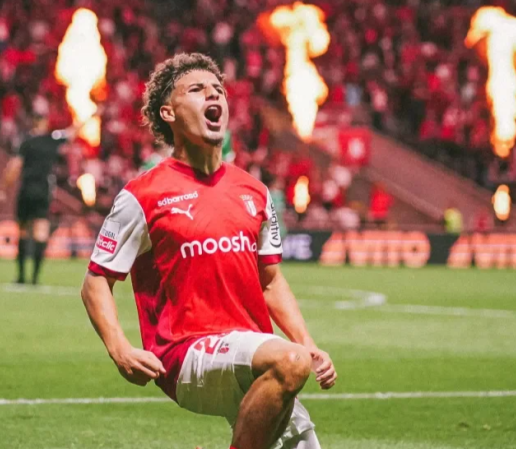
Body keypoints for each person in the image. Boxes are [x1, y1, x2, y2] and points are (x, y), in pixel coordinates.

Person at [80, 53, 336, 449]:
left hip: (250, 352)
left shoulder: (254, 192)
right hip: (184, 353)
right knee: (289, 362)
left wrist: (308, 342)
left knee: (294, 380)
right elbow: (96, 281)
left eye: (218, 90)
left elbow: (270, 282)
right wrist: (120, 349)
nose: (213, 95)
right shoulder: (143, 195)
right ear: (169, 112)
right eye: (197, 90)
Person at [0, 117, 73, 285]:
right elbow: (73, 131)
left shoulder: (26, 142)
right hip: (43, 191)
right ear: (44, 124)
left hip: (27, 189)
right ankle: (35, 278)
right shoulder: (52, 140)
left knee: (23, 231)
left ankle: (21, 276)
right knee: (41, 231)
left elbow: (14, 166)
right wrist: (93, 115)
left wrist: (3, 188)